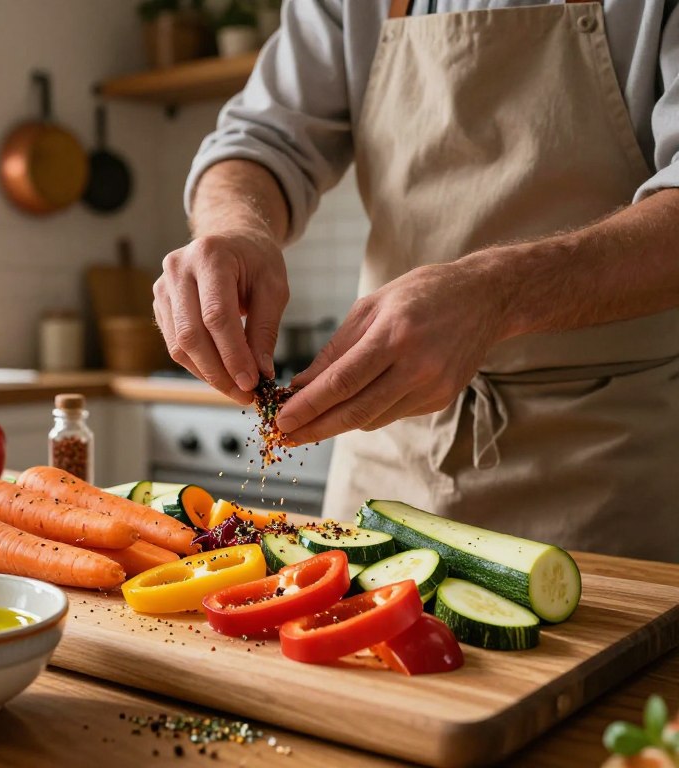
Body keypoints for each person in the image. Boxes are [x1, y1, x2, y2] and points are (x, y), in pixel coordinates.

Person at [152, 0, 679, 562]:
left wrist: (498, 294)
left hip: (607, 469)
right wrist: (235, 226)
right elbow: (258, 139)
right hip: (387, 459)